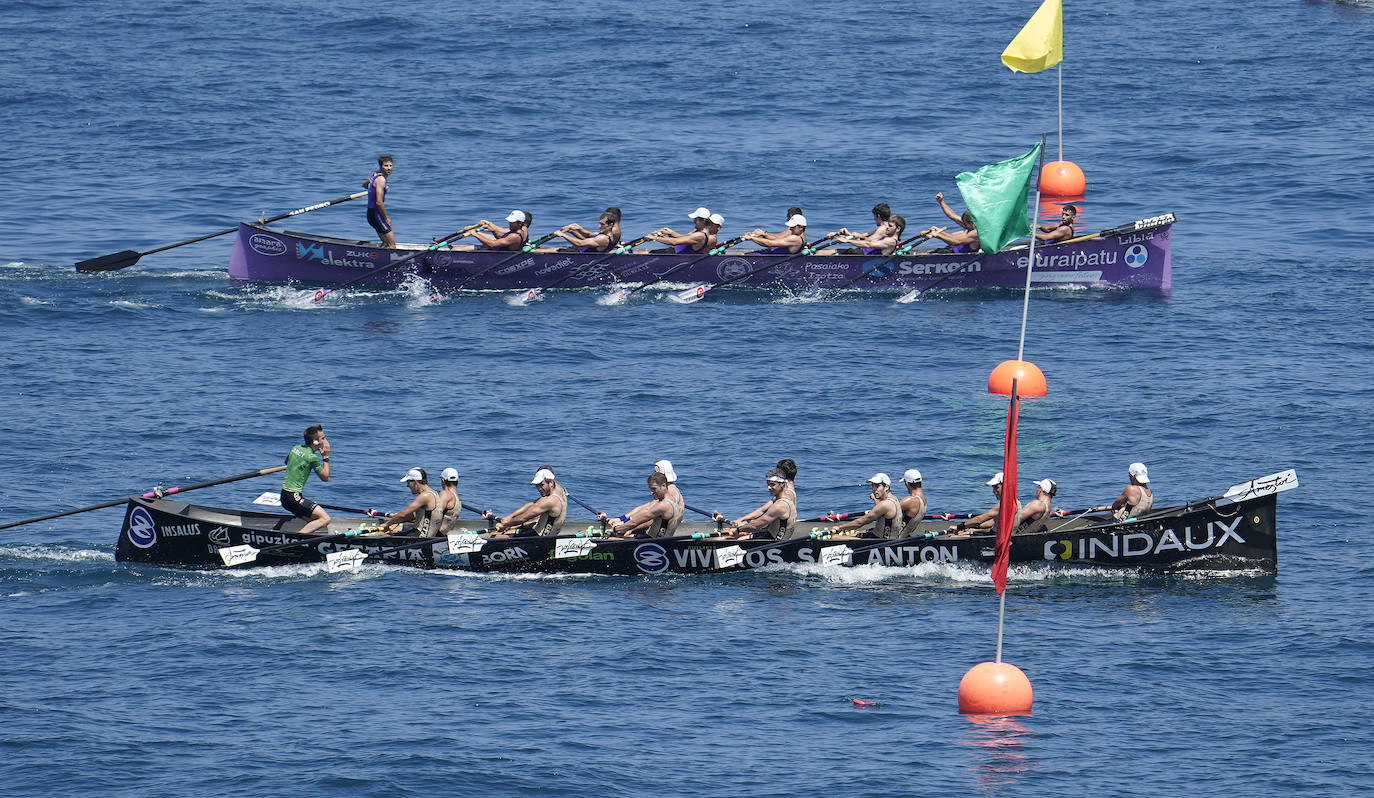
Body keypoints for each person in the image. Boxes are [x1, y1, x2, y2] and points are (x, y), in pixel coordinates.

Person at [281, 424, 331, 535]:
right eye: (323, 438)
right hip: (294, 498)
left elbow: (287, 462)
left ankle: (303, 537)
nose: (326, 441)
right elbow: (325, 477)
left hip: (284, 497)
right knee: (325, 519)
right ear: (315, 442)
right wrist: (325, 457)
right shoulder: (312, 458)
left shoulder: (295, 448)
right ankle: (296, 539)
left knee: (317, 523)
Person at [599, 472, 683, 537]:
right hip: (657, 538)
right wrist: (622, 521)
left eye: (654, 489)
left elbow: (634, 523)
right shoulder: (671, 499)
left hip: (654, 543)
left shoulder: (663, 506)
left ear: (664, 485)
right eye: (650, 489)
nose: (651, 492)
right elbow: (645, 511)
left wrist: (616, 529)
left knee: (610, 539)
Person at [490, 467, 567, 537]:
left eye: (541, 485)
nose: (539, 488)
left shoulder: (550, 500)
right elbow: (533, 504)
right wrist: (509, 517)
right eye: (537, 485)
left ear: (551, 482)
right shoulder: (559, 489)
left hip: (539, 540)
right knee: (512, 528)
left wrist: (506, 524)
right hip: (546, 534)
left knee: (494, 536)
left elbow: (522, 518)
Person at [729, 468, 798, 540]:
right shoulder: (781, 498)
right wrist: (741, 519)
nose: (769, 487)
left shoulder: (779, 506)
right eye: (768, 484)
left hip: (775, 542)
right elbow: (761, 510)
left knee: (737, 538)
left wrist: (738, 530)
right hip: (771, 534)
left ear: (782, 484)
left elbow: (755, 526)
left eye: (772, 485)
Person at [828, 473, 903, 538]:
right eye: (872, 486)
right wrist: (875, 499)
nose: (874, 489)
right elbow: (880, 512)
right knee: (858, 533)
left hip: (882, 541)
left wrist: (840, 528)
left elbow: (860, 522)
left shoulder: (885, 504)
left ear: (886, 487)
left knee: (835, 537)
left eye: (877, 486)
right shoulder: (893, 498)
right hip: (884, 535)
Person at [374, 468, 444, 537]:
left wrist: (386, 524)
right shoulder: (433, 492)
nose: (407, 485)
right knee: (393, 530)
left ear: (415, 481)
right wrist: (395, 521)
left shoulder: (425, 496)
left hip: (420, 537)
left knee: (380, 535)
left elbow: (402, 514)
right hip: (422, 534)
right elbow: (411, 516)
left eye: (408, 482)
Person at [947, 471, 1019, 534]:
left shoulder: (1004, 504)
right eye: (993, 488)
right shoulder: (1015, 501)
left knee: (954, 536)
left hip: (999, 540)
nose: (993, 491)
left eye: (996, 487)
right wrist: (974, 529)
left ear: (1006, 486)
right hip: (1000, 535)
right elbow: (991, 523)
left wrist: (959, 527)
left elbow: (979, 519)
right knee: (966, 532)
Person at [364, 154, 395, 248]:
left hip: (371, 214)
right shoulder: (381, 180)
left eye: (390, 165)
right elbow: (379, 202)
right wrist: (386, 218)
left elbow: (365, 185)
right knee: (392, 245)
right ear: (381, 166)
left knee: (385, 244)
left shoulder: (375, 175)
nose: (389, 168)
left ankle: (378, 260)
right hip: (377, 215)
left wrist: (371, 181)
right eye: (386, 166)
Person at [834, 216, 907, 256]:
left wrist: (847, 241)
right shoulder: (887, 238)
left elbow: (868, 244)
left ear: (898, 229)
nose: (887, 227)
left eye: (890, 226)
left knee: (834, 253)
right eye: (888, 225)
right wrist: (848, 235)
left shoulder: (890, 241)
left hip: (866, 262)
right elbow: (868, 240)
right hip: (864, 257)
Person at [554, 210, 621, 253]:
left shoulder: (603, 238)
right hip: (579, 251)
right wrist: (573, 231)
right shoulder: (604, 234)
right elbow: (587, 236)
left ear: (610, 225)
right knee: (552, 249)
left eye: (602, 224)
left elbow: (580, 243)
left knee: (546, 251)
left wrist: (563, 235)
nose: (599, 226)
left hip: (578, 255)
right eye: (599, 223)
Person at [898, 468, 927, 536]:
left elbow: (886, 512)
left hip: (895, 536)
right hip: (906, 534)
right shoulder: (923, 500)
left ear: (907, 484)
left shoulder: (910, 500)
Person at [437, 467, 462, 534]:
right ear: (458, 482)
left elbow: (435, 514)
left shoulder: (445, 494)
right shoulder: (457, 499)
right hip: (444, 533)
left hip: (435, 534)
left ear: (442, 481)